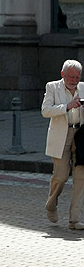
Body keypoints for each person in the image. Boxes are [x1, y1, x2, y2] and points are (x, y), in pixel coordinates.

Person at [42, 59, 84, 229]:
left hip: (81, 135)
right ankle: (51, 204)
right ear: (62, 75)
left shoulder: (83, 87)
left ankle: (75, 219)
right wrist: (66, 106)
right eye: (71, 76)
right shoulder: (52, 87)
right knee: (61, 176)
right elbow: (45, 110)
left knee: (81, 177)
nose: (74, 80)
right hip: (61, 135)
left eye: (77, 77)